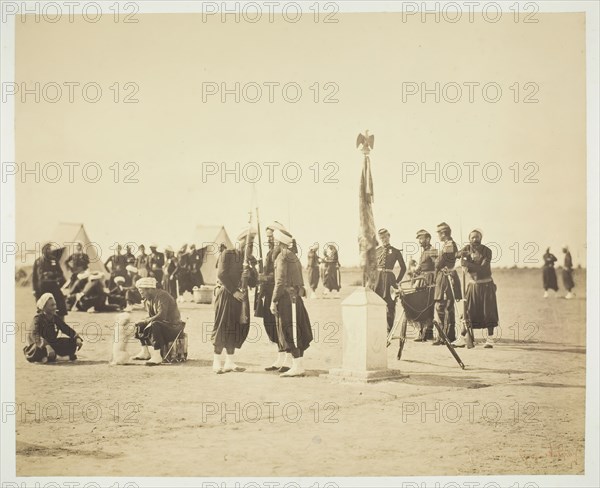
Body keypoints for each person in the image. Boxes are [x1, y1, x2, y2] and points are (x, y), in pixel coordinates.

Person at [211, 228, 255, 374]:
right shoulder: (227, 254)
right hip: (227, 295)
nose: (249, 246)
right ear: (240, 241)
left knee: (236, 328)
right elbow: (222, 275)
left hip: (241, 298)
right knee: (223, 326)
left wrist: (251, 273)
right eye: (247, 242)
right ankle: (217, 362)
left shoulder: (248, 259)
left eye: (252, 243)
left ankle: (229, 362)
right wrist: (234, 291)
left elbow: (254, 282)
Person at [270, 229, 313, 377]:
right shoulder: (293, 255)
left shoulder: (282, 256)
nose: (274, 245)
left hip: (286, 299)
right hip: (295, 298)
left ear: (278, 242)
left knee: (290, 331)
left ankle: (297, 366)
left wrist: (273, 300)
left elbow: (280, 281)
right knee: (296, 330)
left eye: (275, 242)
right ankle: (298, 365)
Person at [454, 229, 499, 348]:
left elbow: (483, 268)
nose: (475, 239)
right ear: (469, 239)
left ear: (481, 238)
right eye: (473, 237)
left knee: (488, 311)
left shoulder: (487, 251)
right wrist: (461, 255)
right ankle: (462, 338)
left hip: (486, 285)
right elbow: (455, 254)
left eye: (477, 237)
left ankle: (490, 339)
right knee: (467, 310)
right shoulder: (467, 248)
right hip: (472, 286)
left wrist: (467, 264)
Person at [256, 222, 289, 372]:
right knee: (271, 326)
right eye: (267, 237)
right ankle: (280, 358)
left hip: (278, 293)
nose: (269, 239)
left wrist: (263, 277)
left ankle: (287, 360)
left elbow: (279, 276)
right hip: (268, 293)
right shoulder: (271, 251)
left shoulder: (280, 251)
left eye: (271, 236)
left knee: (281, 326)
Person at [132, 277, 186, 366]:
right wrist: (143, 321)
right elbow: (151, 316)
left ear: (149, 289)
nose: (141, 295)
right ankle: (145, 352)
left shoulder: (162, 296)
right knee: (139, 324)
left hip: (174, 327)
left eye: (142, 292)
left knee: (154, 324)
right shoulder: (147, 300)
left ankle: (157, 356)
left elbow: (161, 316)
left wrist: (146, 321)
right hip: (163, 325)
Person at [23, 293, 83, 363]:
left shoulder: (55, 318)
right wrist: (46, 345)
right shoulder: (37, 319)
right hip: (40, 345)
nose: (55, 307)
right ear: (44, 307)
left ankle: (50, 358)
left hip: (52, 344)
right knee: (36, 350)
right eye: (52, 305)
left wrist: (76, 337)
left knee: (72, 342)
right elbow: (34, 335)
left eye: (55, 305)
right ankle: (56, 357)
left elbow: (65, 328)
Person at [373, 228, 407, 333]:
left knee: (390, 305)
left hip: (390, 280)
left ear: (389, 236)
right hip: (378, 281)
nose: (384, 239)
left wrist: (397, 281)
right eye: (381, 237)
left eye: (385, 237)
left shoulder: (396, 251)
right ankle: (378, 328)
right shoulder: (376, 251)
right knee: (377, 304)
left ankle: (389, 330)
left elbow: (403, 268)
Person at [433, 222, 461, 345]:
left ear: (443, 233)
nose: (438, 235)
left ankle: (447, 336)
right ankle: (445, 336)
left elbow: (439, 263)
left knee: (444, 307)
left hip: (446, 278)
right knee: (444, 307)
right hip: (444, 277)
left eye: (439, 233)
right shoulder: (447, 244)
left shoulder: (449, 245)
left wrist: (437, 262)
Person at [411, 229, 438, 342]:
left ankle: (428, 333)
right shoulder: (423, 252)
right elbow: (422, 267)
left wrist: (435, 281)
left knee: (428, 306)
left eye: (422, 238)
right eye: (419, 239)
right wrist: (415, 268)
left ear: (428, 239)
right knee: (421, 306)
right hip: (421, 281)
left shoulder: (432, 250)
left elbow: (437, 266)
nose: (420, 241)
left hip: (429, 281)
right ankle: (422, 332)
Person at [32, 242, 68, 317]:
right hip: (41, 288)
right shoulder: (38, 261)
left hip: (53, 286)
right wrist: (34, 290)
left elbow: (60, 273)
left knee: (60, 306)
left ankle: (61, 325)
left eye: (50, 248)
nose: (49, 250)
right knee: (42, 308)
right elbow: (34, 277)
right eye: (47, 249)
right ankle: (43, 326)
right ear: (43, 250)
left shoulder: (54, 260)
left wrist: (52, 274)